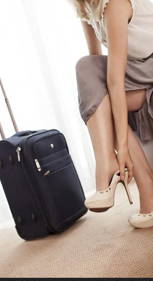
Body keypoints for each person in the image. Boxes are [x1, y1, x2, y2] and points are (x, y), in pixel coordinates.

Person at [69, 0, 153, 228]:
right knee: (86, 68)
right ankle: (108, 164)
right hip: (136, 73)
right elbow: (95, 64)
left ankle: (132, 184)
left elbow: (115, 82)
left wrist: (123, 148)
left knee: (101, 91)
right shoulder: (85, 7)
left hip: (148, 68)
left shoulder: (115, 3)